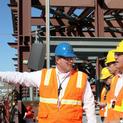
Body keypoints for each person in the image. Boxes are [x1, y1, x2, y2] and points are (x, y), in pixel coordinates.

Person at [0, 42, 97, 123]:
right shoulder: (44, 75)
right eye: (67, 59)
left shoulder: (81, 78)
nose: (71, 61)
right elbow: (21, 77)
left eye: (72, 58)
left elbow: (89, 104)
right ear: (57, 60)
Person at [104, 40, 123, 123]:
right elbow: (111, 107)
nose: (115, 57)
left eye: (118, 54)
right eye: (115, 54)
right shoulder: (115, 79)